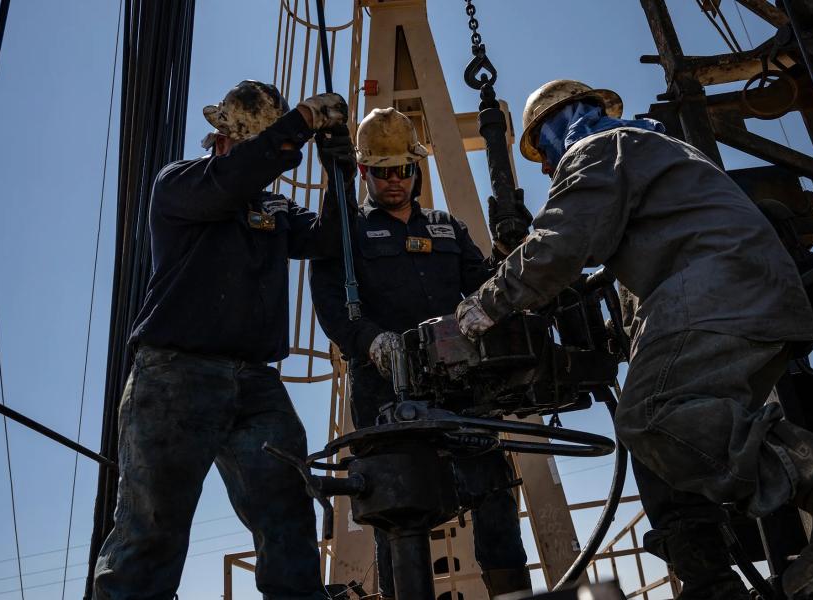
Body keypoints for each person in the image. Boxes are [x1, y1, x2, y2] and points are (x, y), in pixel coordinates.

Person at [455, 79, 813, 599]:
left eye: (542, 150)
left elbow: (561, 243)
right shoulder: (653, 149)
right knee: (676, 438)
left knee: (652, 413)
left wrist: (481, 309)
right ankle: (721, 576)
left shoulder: (597, 148)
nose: (545, 166)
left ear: (557, 128)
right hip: (745, 295)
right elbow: (639, 254)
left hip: (718, 293)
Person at [93, 80, 354, 600]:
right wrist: (300, 122)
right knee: (153, 527)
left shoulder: (273, 209)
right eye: (266, 145)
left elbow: (328, 238)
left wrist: (339, 171)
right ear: (225, 138)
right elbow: (231, 182)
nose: (278, 161)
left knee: (287, 510)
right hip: (174, 375)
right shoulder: (182, 185)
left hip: (256, 383)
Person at [310, 107, 532, 599]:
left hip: (460, 391)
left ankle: (513, 595)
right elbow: (330, 305)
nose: (394, 181)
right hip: (385, 393)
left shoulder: (447, 228)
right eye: (382, 172)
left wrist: (505, 254)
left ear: (417, 169)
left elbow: (483, 291)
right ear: (364, 172)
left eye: (403, 170)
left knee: (494, 493)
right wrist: (370, 341)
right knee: (399, 512)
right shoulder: (346, 237)